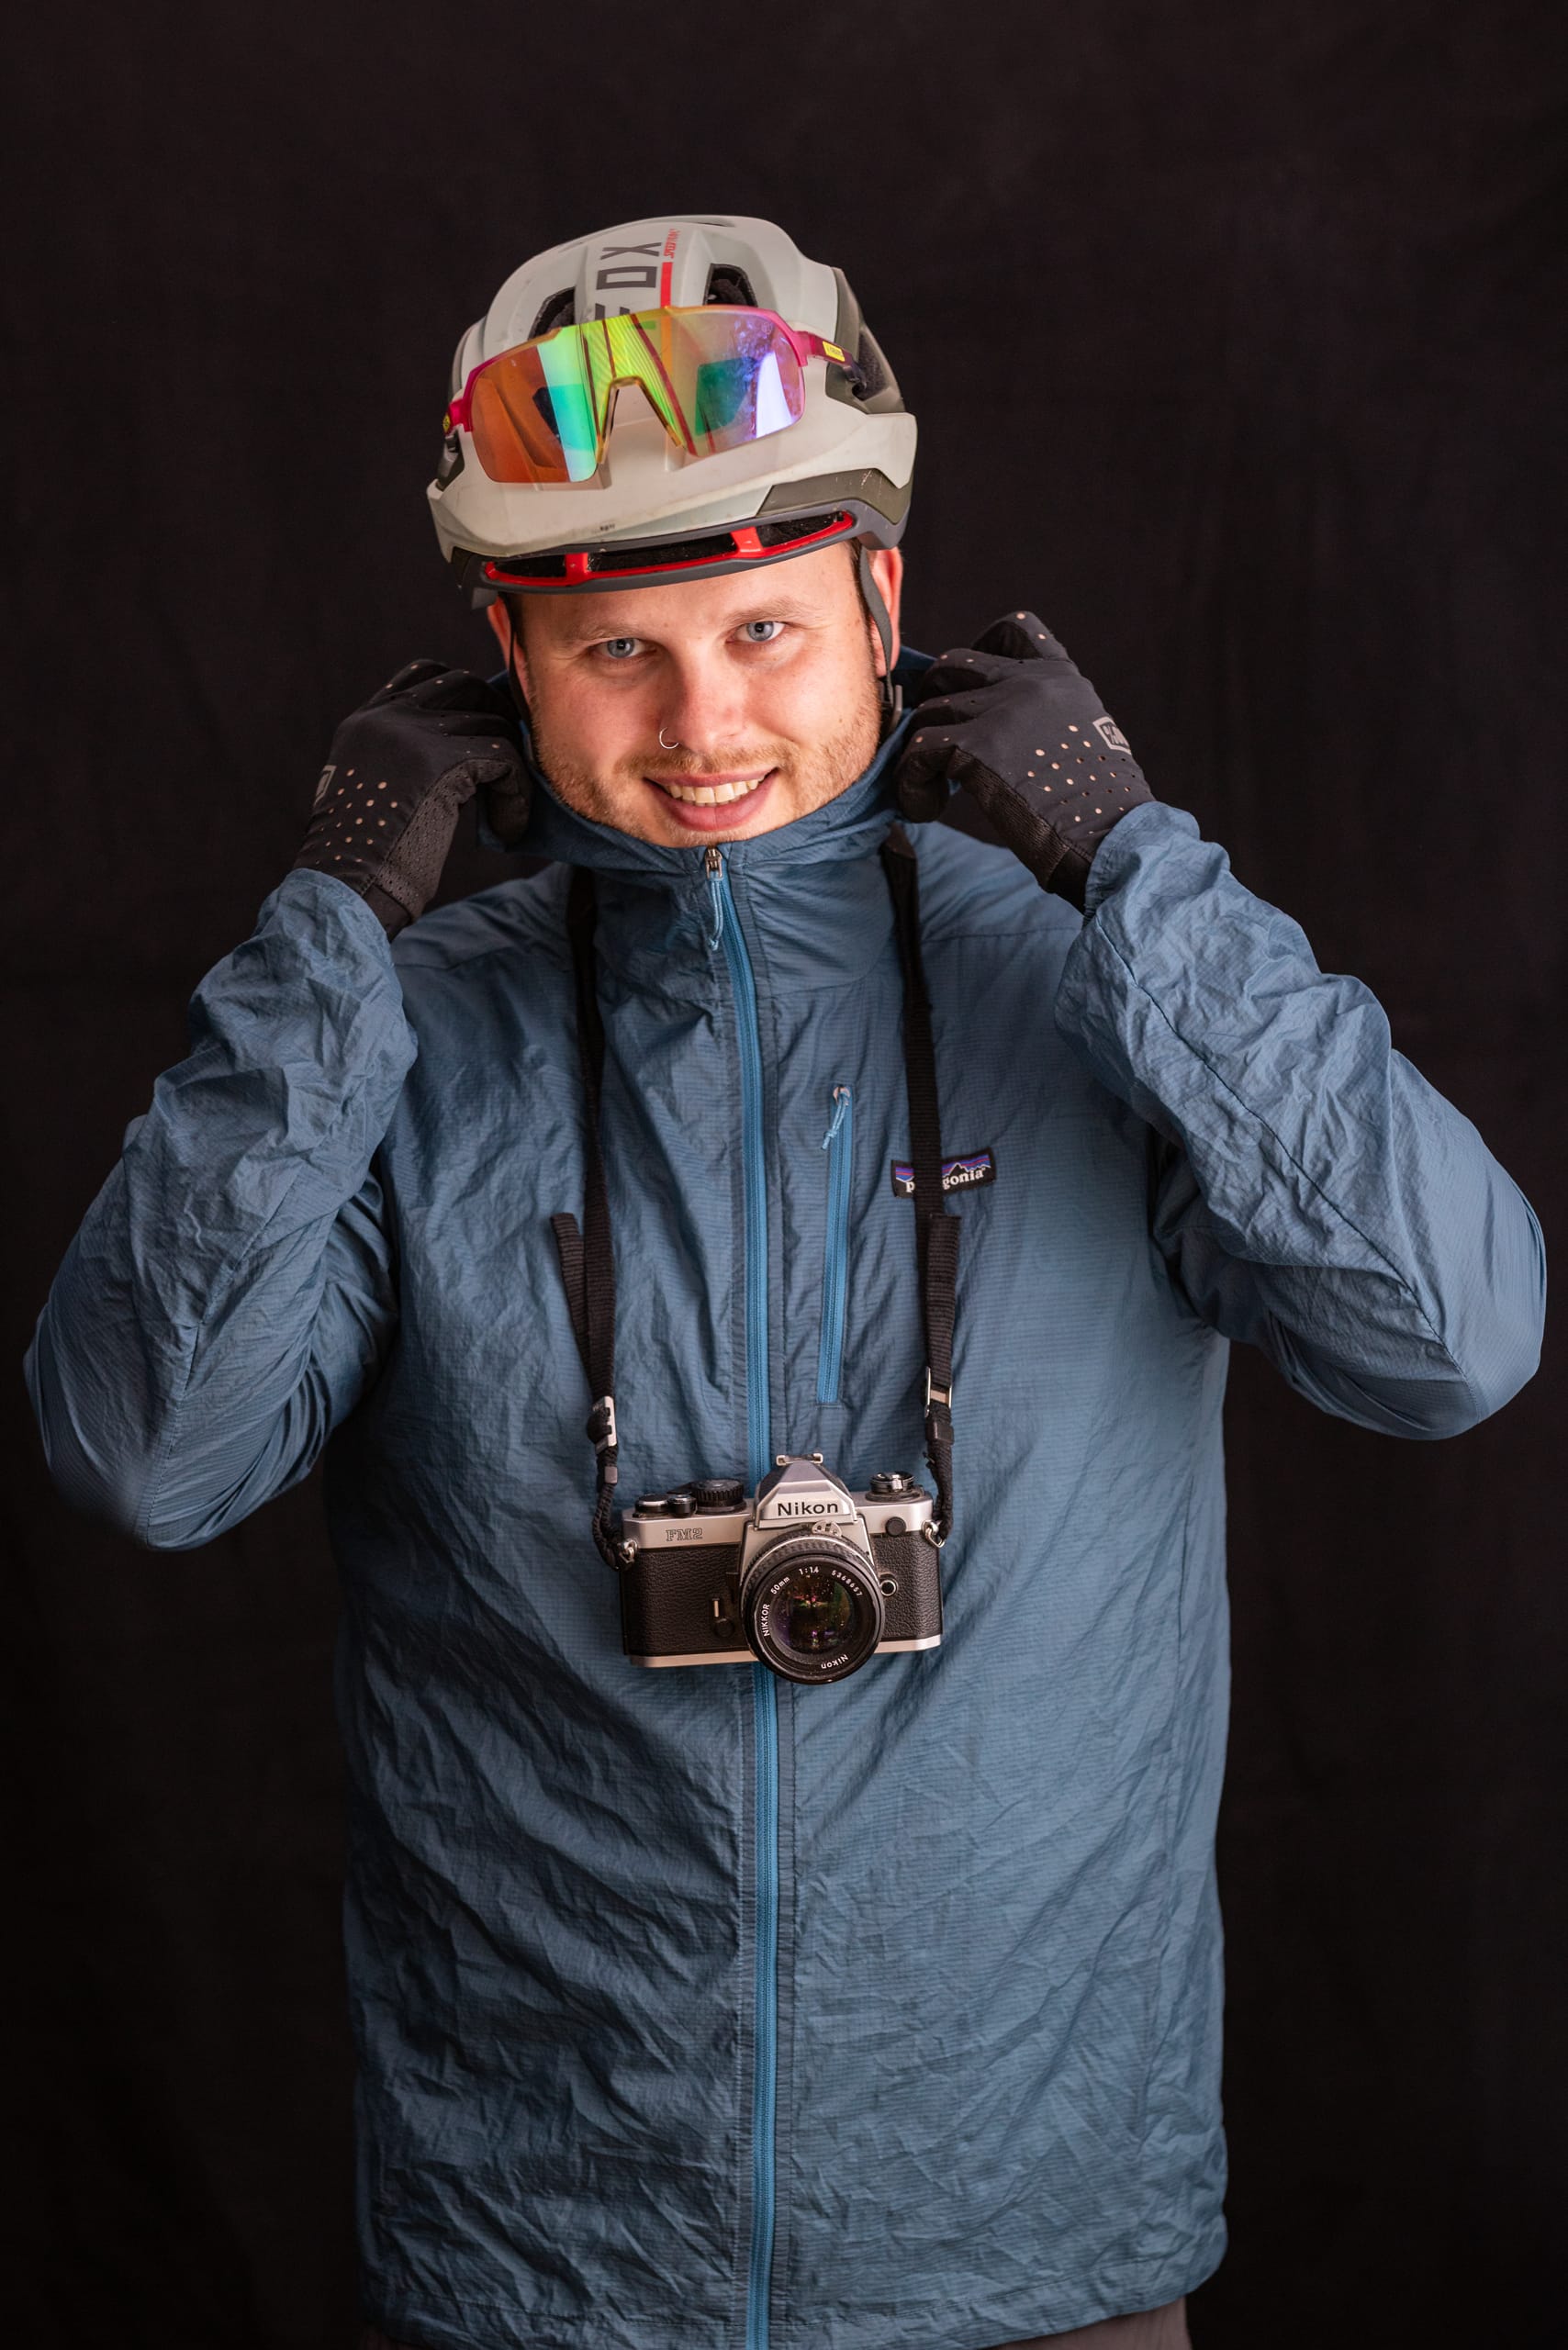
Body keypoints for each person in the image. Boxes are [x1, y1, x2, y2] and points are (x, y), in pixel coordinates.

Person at [26, 214, 1545, 2350]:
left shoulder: (1099, 981)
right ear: (504, 657)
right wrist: (328, 929)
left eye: (757, 629)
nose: (700, 722)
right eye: (614, 651)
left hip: (1034, 2241)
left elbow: (1451, 1335)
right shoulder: (390, 1033)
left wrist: (1136, 868)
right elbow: (141, 1450)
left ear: (880, 602)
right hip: (545, 2258)